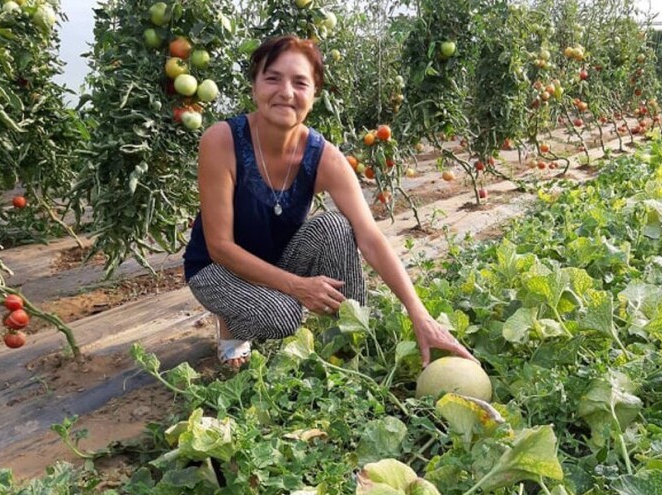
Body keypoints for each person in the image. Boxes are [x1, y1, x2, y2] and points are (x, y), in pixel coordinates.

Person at [183, 35, 477, 370]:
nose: (286, 92)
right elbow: (219, 246)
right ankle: (230, 323)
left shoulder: (324, 156)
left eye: (300, 83)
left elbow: (370, 237)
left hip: (276, 261)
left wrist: (420, 315)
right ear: (255, 86)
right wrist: (298, 287)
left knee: (336, 226)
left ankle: (351, 343)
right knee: (284, 316)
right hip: (217, 269)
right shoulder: (222, 140)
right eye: (273, 78)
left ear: (314, 95)